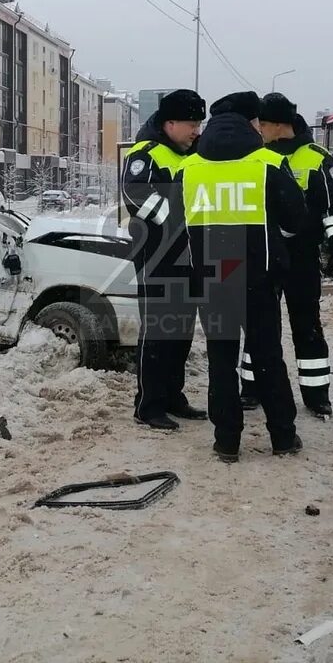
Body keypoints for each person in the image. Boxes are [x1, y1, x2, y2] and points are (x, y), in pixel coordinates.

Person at [168, 90, 306, 462]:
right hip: (258, 280)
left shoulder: (188, 168)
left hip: (210, 280)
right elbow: (296, 221)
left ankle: (227, 441)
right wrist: (273, 242)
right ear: (253, 124)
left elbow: (174, 224)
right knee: (267, 358)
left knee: (220, 360)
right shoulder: (268, 163)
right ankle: (282, 437)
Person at [244, 94, 333, 419]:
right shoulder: (255, 156)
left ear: (276, 124)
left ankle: (317, 395)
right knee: (261, 326)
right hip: (265, 254)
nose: (258, 129)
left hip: (302, 257)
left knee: (307, 325)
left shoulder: (316, 158)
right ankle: (252, 388)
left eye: (261, 124)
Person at [121, 89, 207, 430]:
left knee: (181, 331)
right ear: (170, 123)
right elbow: (135, 193)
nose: (196, 130)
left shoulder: (194, 153)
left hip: (189, 256)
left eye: (199, 123)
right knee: (157, 331)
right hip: (157, 257)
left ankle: (173, 395)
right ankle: (148, 405)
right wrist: (178, 219)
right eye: (191, 124)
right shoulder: (146, 153)